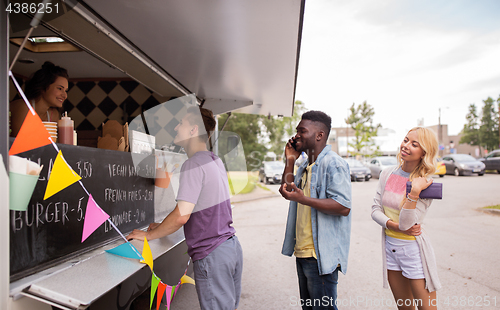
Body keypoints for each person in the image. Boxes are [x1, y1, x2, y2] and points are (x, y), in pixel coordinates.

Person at [127, 106, 243, 310]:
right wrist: (162, 226)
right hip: (230, 248)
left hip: (212, 253)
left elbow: (182, 215)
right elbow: (200, 210)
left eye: (181, 123)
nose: (176, 128)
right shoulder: (214, 161)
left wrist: (148, 236)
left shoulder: (193, 164)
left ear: (193, 130)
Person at [279, 110, 352, 310]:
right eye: (297, 131)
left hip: (320, 256)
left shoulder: (333, 164)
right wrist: (290, 160)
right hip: (303, 253)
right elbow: (287, 191)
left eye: (302, 131)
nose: (296, 135)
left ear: (319, 135)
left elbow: (343, 206)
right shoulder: (305, 166)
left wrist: (304, 199)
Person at [371, 127, 441, 310]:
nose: (406, 145)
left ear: (424, 152)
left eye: (414, 144)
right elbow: (375, 210)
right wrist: (393, 226)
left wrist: (414, 192)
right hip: (391, 250)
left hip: (413, 252)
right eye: (406, 140)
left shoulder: (425, 184)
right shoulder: (387, 174)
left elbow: (407, 223)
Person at [10, 61, 69, 137]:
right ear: (43, 87)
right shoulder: (23, 107)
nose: (65, 95)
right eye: (60, 88)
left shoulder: (53, 114)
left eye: (65, 91)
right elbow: (20, 144)